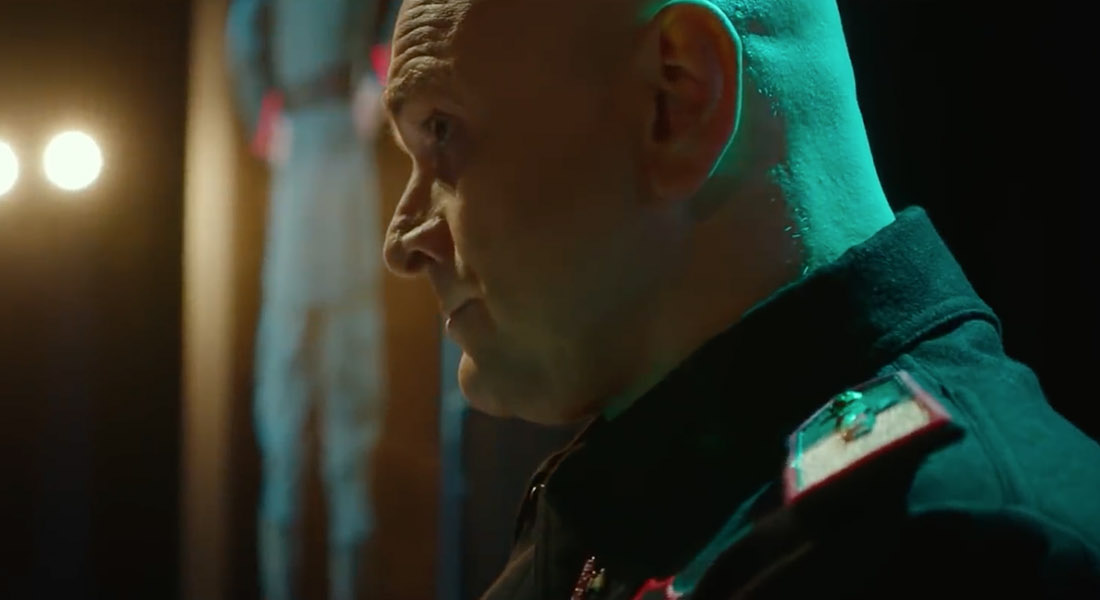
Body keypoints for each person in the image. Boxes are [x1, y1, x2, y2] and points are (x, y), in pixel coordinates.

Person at [377, 0, 1100, 598]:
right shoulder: (676, 497)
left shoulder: (957, 550)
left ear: (675, 98)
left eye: (442, 130)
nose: (401, 241)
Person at [225, 1, 403, 598]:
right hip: (301, 141)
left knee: (352, 364)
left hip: (342, 139)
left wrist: (378, 80)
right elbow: (243, 29)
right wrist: (264, 118)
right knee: (287, 369)